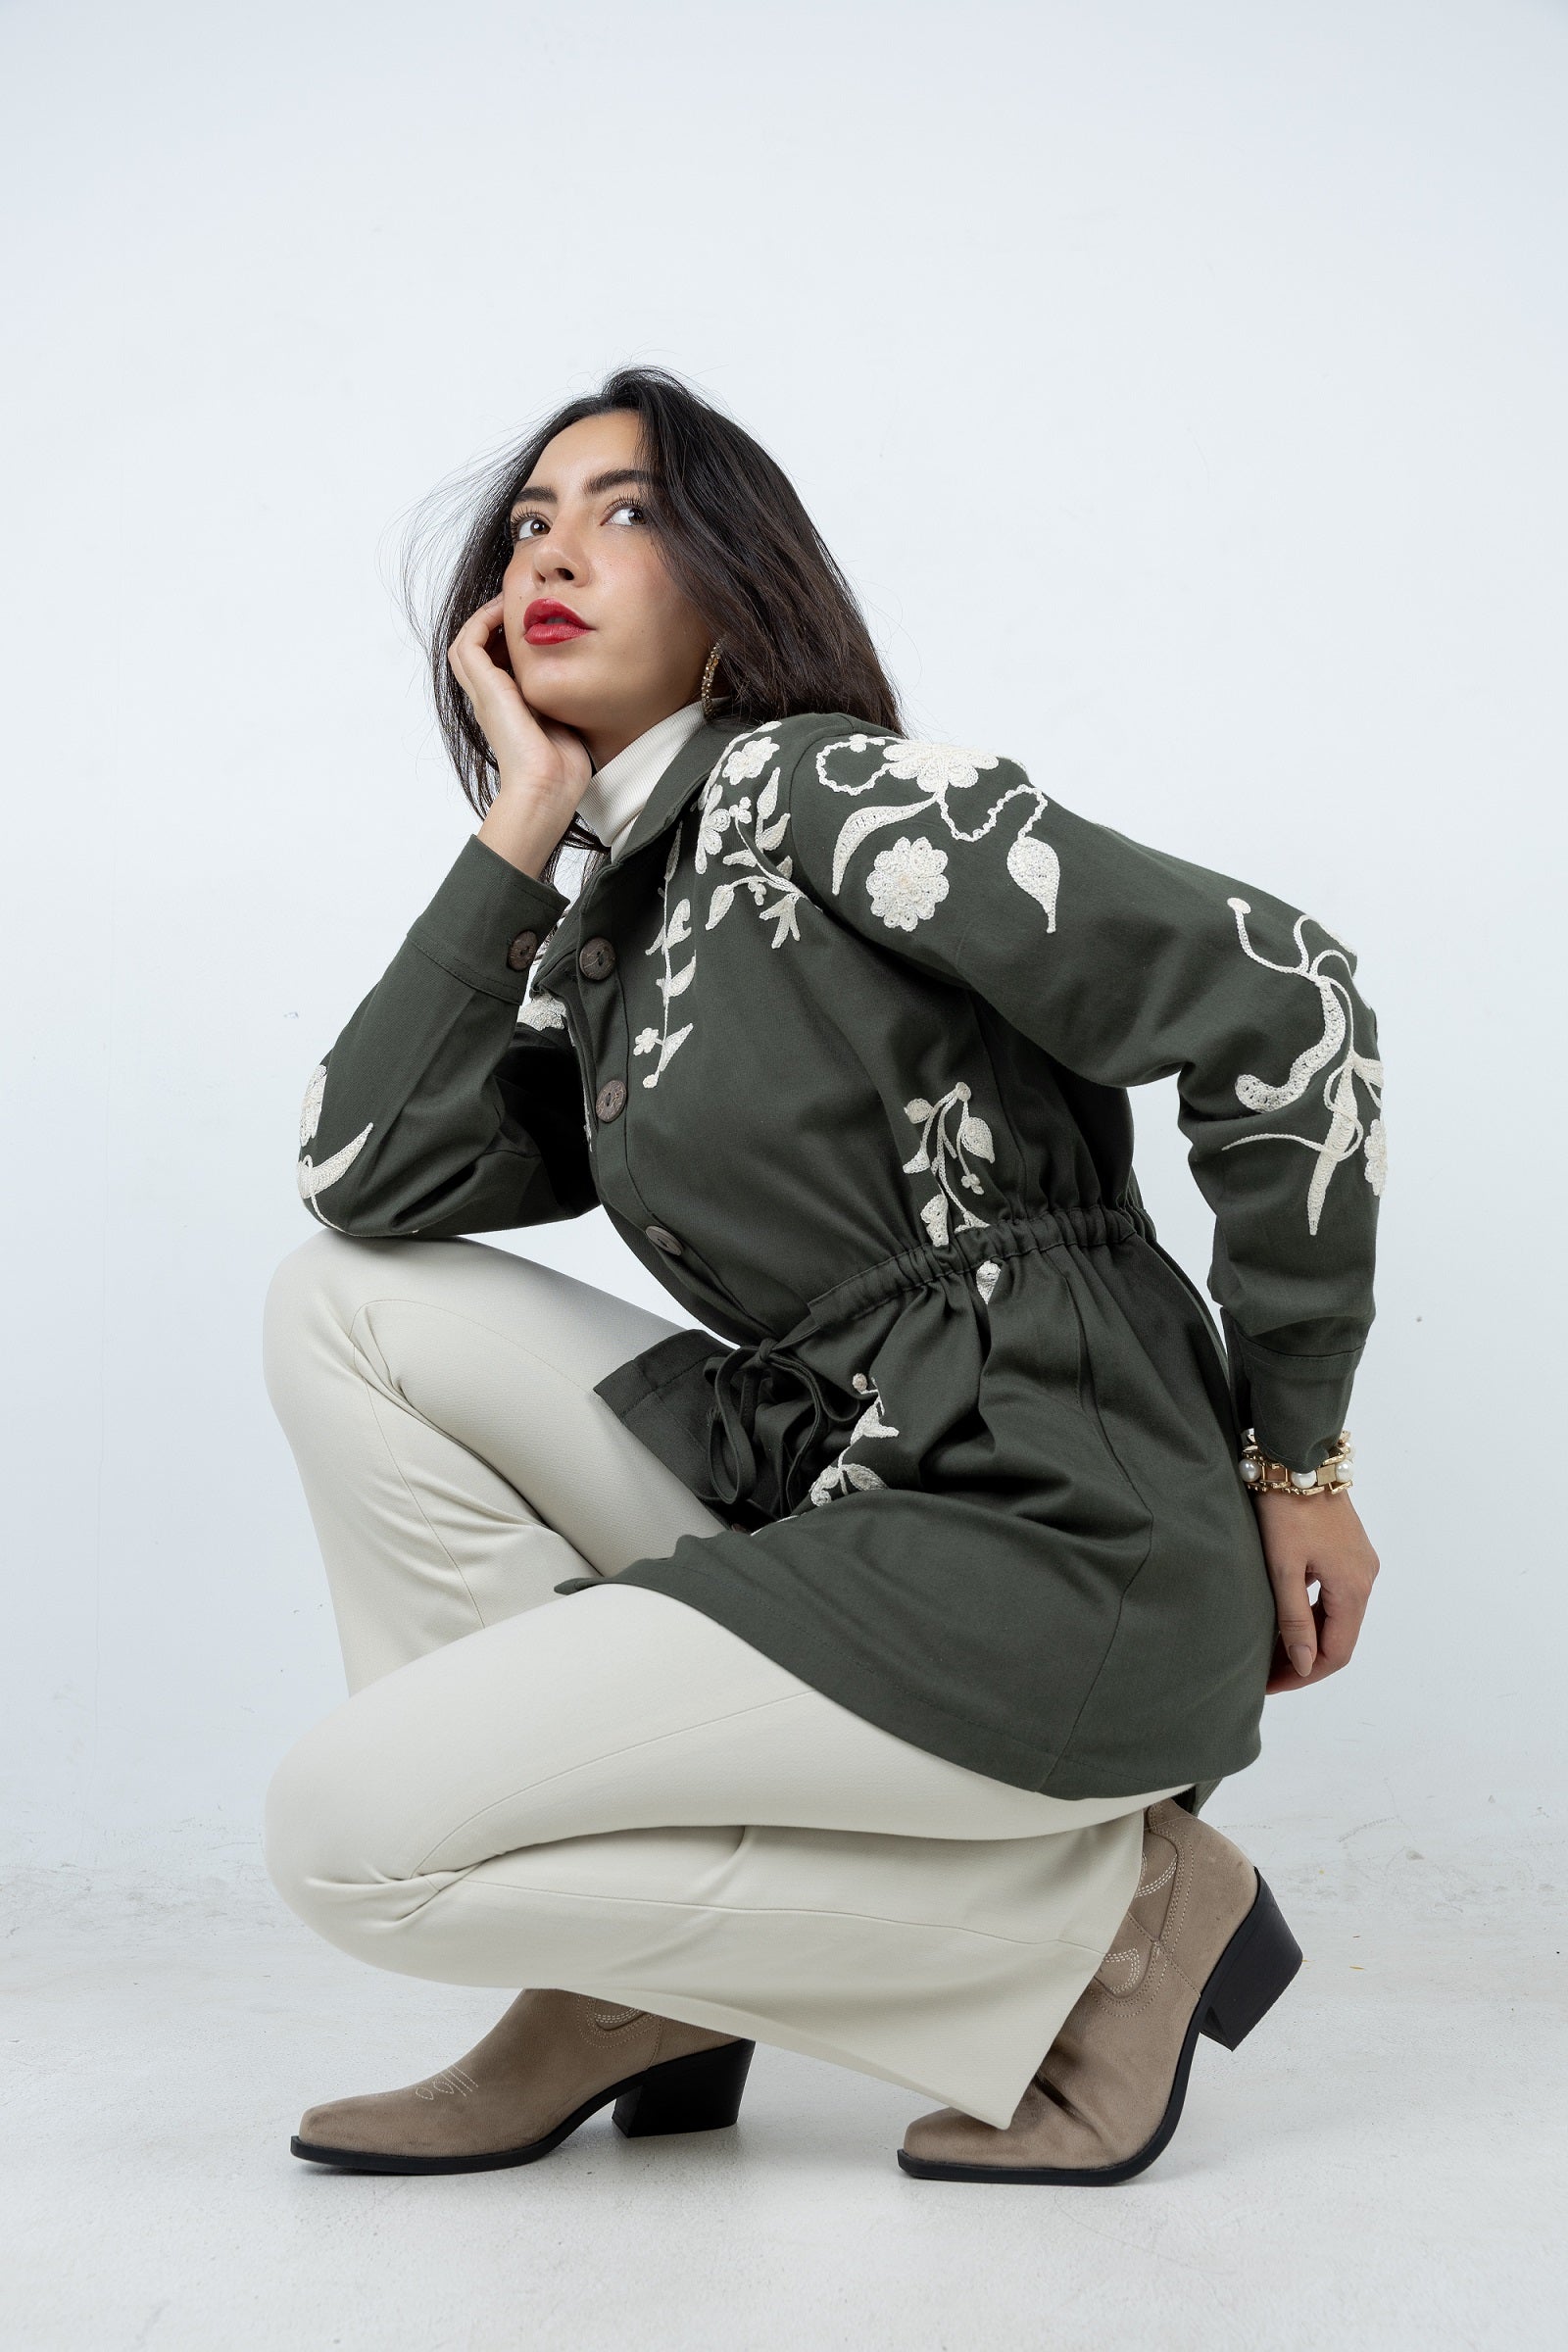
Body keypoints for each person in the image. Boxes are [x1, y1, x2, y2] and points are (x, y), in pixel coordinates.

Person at [262, 365, 1382, 2184]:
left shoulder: (824, 791)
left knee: (350, 1838)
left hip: (1056, 1522)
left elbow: (1290, 998)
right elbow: (364, 1175)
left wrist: (1299, 1454)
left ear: (736, 581)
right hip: (844, 1490)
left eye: (626, 514)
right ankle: (626, 1980)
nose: (555, 551)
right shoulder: (623, 931)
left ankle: (1102, 1948)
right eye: (529, 524)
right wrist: (524, 817)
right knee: (345, 1310)